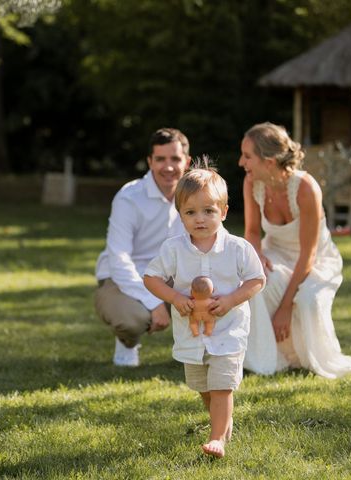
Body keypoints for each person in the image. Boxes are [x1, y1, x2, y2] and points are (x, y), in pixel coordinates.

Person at [144, 165, 265, 458]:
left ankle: (217, 438)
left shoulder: (238, 248)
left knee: (222, 386)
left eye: (208, 211)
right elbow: (151, 278)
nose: (200, 219)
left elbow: (256, 280)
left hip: (228, 330)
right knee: (204, 387)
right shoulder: (173, 249)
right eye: (191, 212)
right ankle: (222, 423)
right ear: (180, 214)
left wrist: (231, 299)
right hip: (192, 333)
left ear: (223, 211)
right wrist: (174, 297)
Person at [239, 122, 351, 378]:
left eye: (247, 156)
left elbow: (308, 255)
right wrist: (257, 255)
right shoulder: (251, 183)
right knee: (258, 283)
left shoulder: (306, 188)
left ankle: (306, 359)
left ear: (269, 160)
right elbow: (253, 232)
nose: (241, 162)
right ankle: (268, 360)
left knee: (308, 301)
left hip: (316, 260)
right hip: (275, 253)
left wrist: (285, 308)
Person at [95, 128, 191, 367]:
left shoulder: (195, 195)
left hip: (173, 277)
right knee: (133, 320)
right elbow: (119, 260)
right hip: (123, 280)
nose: (168, 167)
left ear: (187, 162)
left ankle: (203, 354)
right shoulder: (129, 197)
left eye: (175, 159)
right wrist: (154, 303)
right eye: (160, 159)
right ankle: (127, 341)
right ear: (149, 161)